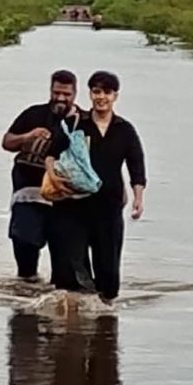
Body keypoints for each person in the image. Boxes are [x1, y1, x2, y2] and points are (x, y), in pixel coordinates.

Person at [45, 70, 146, 302]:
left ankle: (104, 321)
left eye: (107, 92)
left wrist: (138, 198)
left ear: (116, 96)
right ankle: (76, 324)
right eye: (96, 91)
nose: (102, 97)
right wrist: (53, 176)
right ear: (90, 94)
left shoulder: (125, 130)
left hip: (109, 207)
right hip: (72, 206)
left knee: (109, 275)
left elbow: (136, 165)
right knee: (72, 267)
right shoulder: (74, 123)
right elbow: (51, 154)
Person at [1, 70, 80, 283]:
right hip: (29, 195)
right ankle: (26, 300)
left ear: (75, 94)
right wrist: (28, 137)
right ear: (50, 90)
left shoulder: (82, 121)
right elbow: (7, 142)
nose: (61, 98)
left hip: (65, 201)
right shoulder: (33, 114)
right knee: (24, 248)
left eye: (66, 94)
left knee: (64, 264)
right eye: (56, 93)